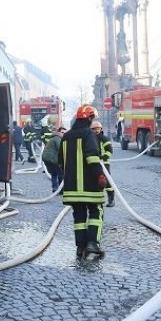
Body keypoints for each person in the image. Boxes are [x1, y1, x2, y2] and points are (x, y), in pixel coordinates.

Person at [59, 105, 107, 258]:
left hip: (72, 187)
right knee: (96, 211)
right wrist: (100, 176)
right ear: (89, 118)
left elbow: (60, 160)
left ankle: (80, 247)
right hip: (90, 186)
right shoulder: (88, 134)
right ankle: (93, 243)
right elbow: (93, 158)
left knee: (79, 216)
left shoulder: (66, 136)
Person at [92, 120, 114, 207]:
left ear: (101, 129)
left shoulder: (104, 139)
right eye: (94, 129)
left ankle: (111, 199)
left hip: (104, 163)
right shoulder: (90, 140)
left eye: (98, 129)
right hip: (94, 163)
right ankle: (97, 199)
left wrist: (103, 157)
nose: (97, 130)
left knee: (107, 181)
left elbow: (109, 151)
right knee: (95, 180)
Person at [41, 126, 66, 192]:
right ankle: (61, 189)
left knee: (54, 173)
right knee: (60, 173)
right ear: (58, 132)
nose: (63, 134)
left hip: (46, 158)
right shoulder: (57, 138)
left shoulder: (53, 138)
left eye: (64, 133)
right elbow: (61, 148)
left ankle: (55, 188)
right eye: (62, 132)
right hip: (51, 158)